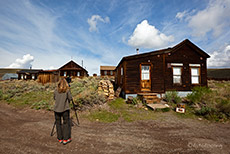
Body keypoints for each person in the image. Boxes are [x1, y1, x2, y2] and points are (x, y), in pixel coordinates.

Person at [53, 78, 73, 145]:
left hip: (56, 109)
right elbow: (70, 98)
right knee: (66, 124)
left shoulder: (56, 90)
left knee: (58, 124)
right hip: (65, 109)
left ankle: (60, 138)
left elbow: (54, 98)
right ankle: (66, 139)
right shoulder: (67, 91)